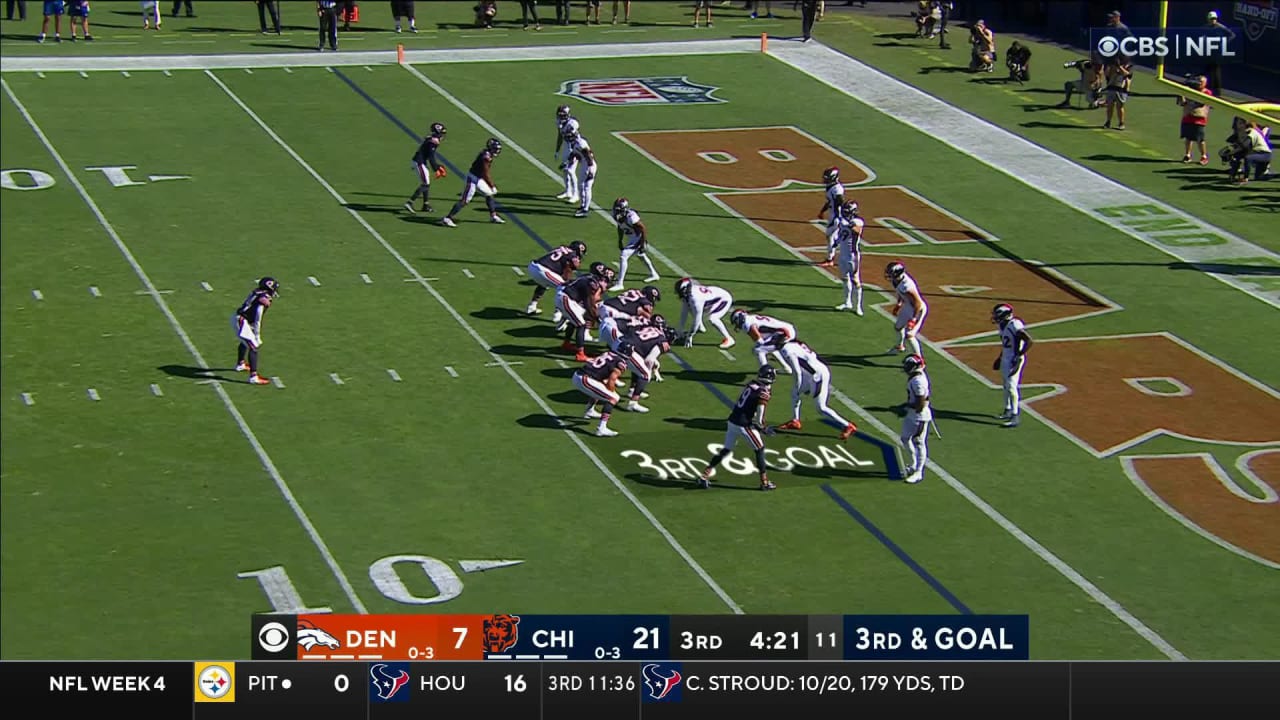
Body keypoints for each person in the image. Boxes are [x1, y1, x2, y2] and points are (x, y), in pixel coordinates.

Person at [699, 366, 777, 491]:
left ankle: (704, 475)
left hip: (732, 420)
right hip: (743, 425)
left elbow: (745, 402)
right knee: (760, 449)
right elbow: (760, 417)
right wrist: (763, 428)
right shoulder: (763, 392)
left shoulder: (752, 384)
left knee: (726, 449)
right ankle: (764, 482)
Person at [774, 340, 857, 439]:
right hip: (812, 373)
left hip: (817, 376)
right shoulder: (795, 345)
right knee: (795, 393)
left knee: (821, 408)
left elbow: (797, 371)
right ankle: (795, 421)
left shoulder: (787, 350)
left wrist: (799, 384)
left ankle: (848, 426)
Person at [440, 138, 504, 227]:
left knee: (489, 194)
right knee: (465, 200)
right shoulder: (485, 157)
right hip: (472, 179)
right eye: (495, 148)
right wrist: (492, 185)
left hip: (478, 178)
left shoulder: (487, 154)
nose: (497, 151)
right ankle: (447, 218)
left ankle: (493, 216)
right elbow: (485, 173)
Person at [572, 346, 630, 437]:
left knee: (600, 388)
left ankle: (589, 410)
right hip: (585, 379)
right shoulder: (621, 363)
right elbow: (612, 380)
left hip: (579, 375)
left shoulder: (608, 353)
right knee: (613, 398)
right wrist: (612, 392)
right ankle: (601, 428)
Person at [991, 303, 1032, 428]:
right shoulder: (1003, 326)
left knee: (1011, 386)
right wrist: (1000, 358)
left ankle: (1015, 416)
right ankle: (1008, 409)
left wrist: (1019, 356)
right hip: (1006, 358)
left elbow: (1029, 341)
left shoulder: (1014, 324)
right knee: (1005, 384)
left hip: (1013, 359)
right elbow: (1006, 345)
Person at [233, 277, 279, 386]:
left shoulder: (258, 292)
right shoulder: (263, 298)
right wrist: (257, 334)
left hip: (242, 319)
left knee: (246, 341)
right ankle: (253, 377)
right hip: (242, 320)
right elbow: (258, 316)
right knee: (253, 346)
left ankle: (240, 364)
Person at [526, 241, 586, 319]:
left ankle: (532, 306)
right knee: (566, 289)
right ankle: (558, 314)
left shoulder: (562, 248)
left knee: (543, 284)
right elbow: (568, 273)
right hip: (544, 271)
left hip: (533, 266)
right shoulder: (572, 255)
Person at [610, 197, 660, 289]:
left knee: (623, 255)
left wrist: (642, 243)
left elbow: (643, 228)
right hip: (631, 237)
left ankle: (620, 283)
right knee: (641, 256)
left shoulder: (631, 216)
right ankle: (654, 274)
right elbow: (620, 226)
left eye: (618, 210)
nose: (616, 212)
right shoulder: (616, 215)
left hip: (638, 237)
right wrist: (620, 240)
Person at [675, 277, 735, 349]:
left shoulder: (695, 299)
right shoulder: (689, 294)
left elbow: (696, 320)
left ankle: (729, 339)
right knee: (690, 307)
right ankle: (701, 327)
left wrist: (690, 336)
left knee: (713, 318)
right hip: (712, 297)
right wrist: (680, 331)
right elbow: (684, 312)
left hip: (723, 299)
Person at [899, 354, 932, 484]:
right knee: (905, 438)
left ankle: (919, 472)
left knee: (919, 441)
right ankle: (913, 464)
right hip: (912, 413)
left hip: (919, 415)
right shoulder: (915, 377)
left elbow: (921, 403)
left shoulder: (918, 381)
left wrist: (908, 407)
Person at [730, 309, 796, 372]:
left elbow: (760, 341)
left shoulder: (747, 324)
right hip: (784, 330)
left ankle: (765, 373)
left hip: (785, 334)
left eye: (735, 322)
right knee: (766, 346)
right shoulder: (750, 318)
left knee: (758, 350)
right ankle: (786, 368)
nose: (736, 325)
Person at [885, 261, 927, 356]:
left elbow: (918, 303)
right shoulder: (897, 281)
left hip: (917, 309)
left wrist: (913, 319)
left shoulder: (907, 286)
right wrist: (899, 303)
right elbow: (901, 293)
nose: (889, 275)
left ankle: (919, 360)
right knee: (898, 327)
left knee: (910, 335)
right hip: (908, 306)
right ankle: (899, 347)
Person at [403, 122, 446, 215]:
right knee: (425, 184)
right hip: (419, 162)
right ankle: (410, 203)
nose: (442, 136)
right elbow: (431, 157)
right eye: (441, 133)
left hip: (421, 161)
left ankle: (425, 205)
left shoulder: (431, 139)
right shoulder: (433, 141)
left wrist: (438, 167)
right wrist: (437, 168)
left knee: (426, 183)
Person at [832, 200, 865, 315]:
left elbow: (856, 231)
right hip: (843, 254)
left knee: (855, 280)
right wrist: (836, 242)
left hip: (853, 256)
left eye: (847, 211)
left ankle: (858, 306)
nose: (845, 213)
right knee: (845, 278)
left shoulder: (858, 221)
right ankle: (847, 302)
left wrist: (846, 223)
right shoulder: (843, 221)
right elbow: (842, 233)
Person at [1177, 76, 1212, 165]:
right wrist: (1181, 93)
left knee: (1200, 139)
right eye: (1198, 82)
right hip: (1187, 117)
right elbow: (1181, 103)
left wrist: (1189, 97)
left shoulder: (1207, 92)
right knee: (1188, 138)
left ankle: (1204, 156)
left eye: (1202, 82)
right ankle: (1187, 155)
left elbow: (1200, 103)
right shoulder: (1189, 91)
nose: (1199, 84)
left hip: (1199, 119)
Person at [816, 166, 845, 268]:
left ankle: (830, 259)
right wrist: (822, 211)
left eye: (827, 178)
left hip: (836, 216)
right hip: (834, 215)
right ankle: (831, 258)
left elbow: (840, 201)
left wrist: (838, 217)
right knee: (832, 236)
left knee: (830, 236)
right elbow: (829, 201)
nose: (825, 179)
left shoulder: (837, 189)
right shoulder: (831, 187)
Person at [1203, 10, 1235, 98]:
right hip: (1208, 52)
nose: (1213, 20)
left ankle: (1217, 94)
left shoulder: (1221, 27)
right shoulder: (1205, 27)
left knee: (1216, 74)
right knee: (1207, 71)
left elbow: (1232, 35)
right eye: (1212, 19)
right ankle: (1205, 89)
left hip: (1217, 54)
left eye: (1214, 19)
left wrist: (1224, 42)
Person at [553, 105, 581, 204]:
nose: (560, 117)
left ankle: (576, 194)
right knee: (565, 171)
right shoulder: (559, 123)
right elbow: (560, 136)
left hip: (576, 148)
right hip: (566, 147)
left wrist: (571, 156)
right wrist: (557, 150)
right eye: (559, 115)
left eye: (562, 115)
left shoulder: (572, 124)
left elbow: (573, 140)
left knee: (570, 170)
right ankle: (568, 191)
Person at [568, 132, 597, 218]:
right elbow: (574, 154)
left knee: (587, 187)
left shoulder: (580, 144)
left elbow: (589, 157)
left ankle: (585, 209)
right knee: (581, 186)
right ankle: (583, 205)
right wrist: (567, 162)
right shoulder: (575, 143)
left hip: (588, 166)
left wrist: (591, 171)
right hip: (585, 165)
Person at [1103, 58, 1131, 130]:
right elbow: (1107, 74)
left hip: (1121, 89)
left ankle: (1121, 123)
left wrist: (1119, 67)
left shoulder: (1128, 66)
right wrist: (1111, 66)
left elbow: (1127, 74)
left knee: (1119, 106)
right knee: (1110, 106)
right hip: (1111, 87)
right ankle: (1108, 121)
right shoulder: (1111, 66)